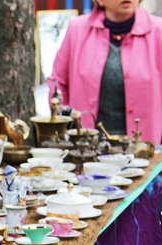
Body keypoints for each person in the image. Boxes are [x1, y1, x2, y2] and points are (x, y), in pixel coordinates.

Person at [48, 0, 162, 142]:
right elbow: (58, 84)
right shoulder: (77, 29)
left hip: (145, 148)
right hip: (85, 147)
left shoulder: (159, 32)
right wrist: (67, 123)